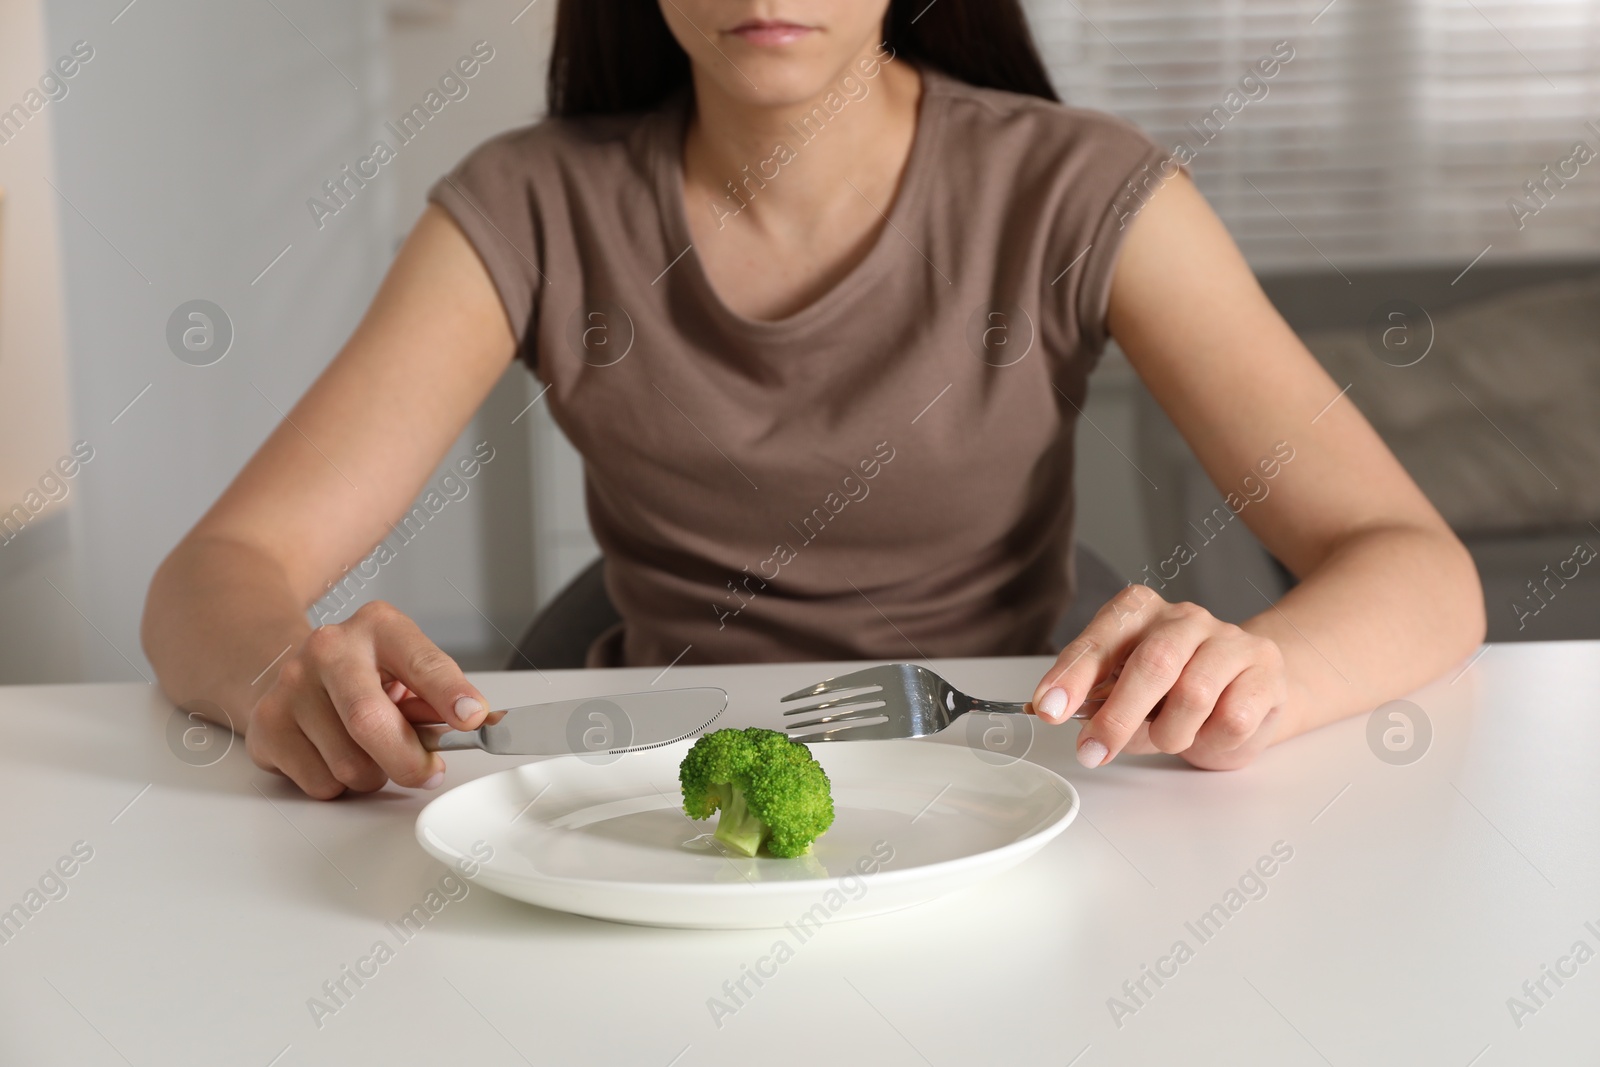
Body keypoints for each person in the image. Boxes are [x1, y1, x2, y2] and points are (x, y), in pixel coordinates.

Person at [142, 0, 1485, 800]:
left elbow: (1415, 567)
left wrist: (1268, 670)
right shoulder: (530, 204)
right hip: (645, 798)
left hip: (1019, 779)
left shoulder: (1081, 188)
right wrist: (280, 672)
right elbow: (220, 571)